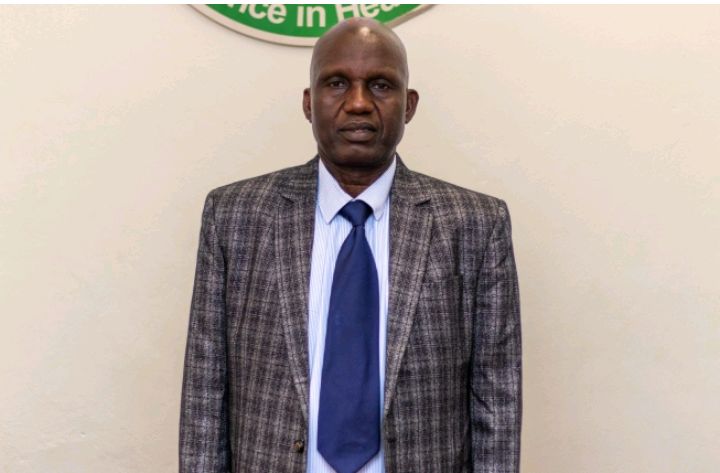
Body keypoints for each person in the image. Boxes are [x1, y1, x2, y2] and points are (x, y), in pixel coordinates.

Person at [179, 18, 521, 473]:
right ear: (309, 103)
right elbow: (205, 391)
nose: (358, 103)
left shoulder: (475, 224)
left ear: (409, 105)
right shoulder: (236, 216)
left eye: (380, 85)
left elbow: (496, 398)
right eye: (337, 83)